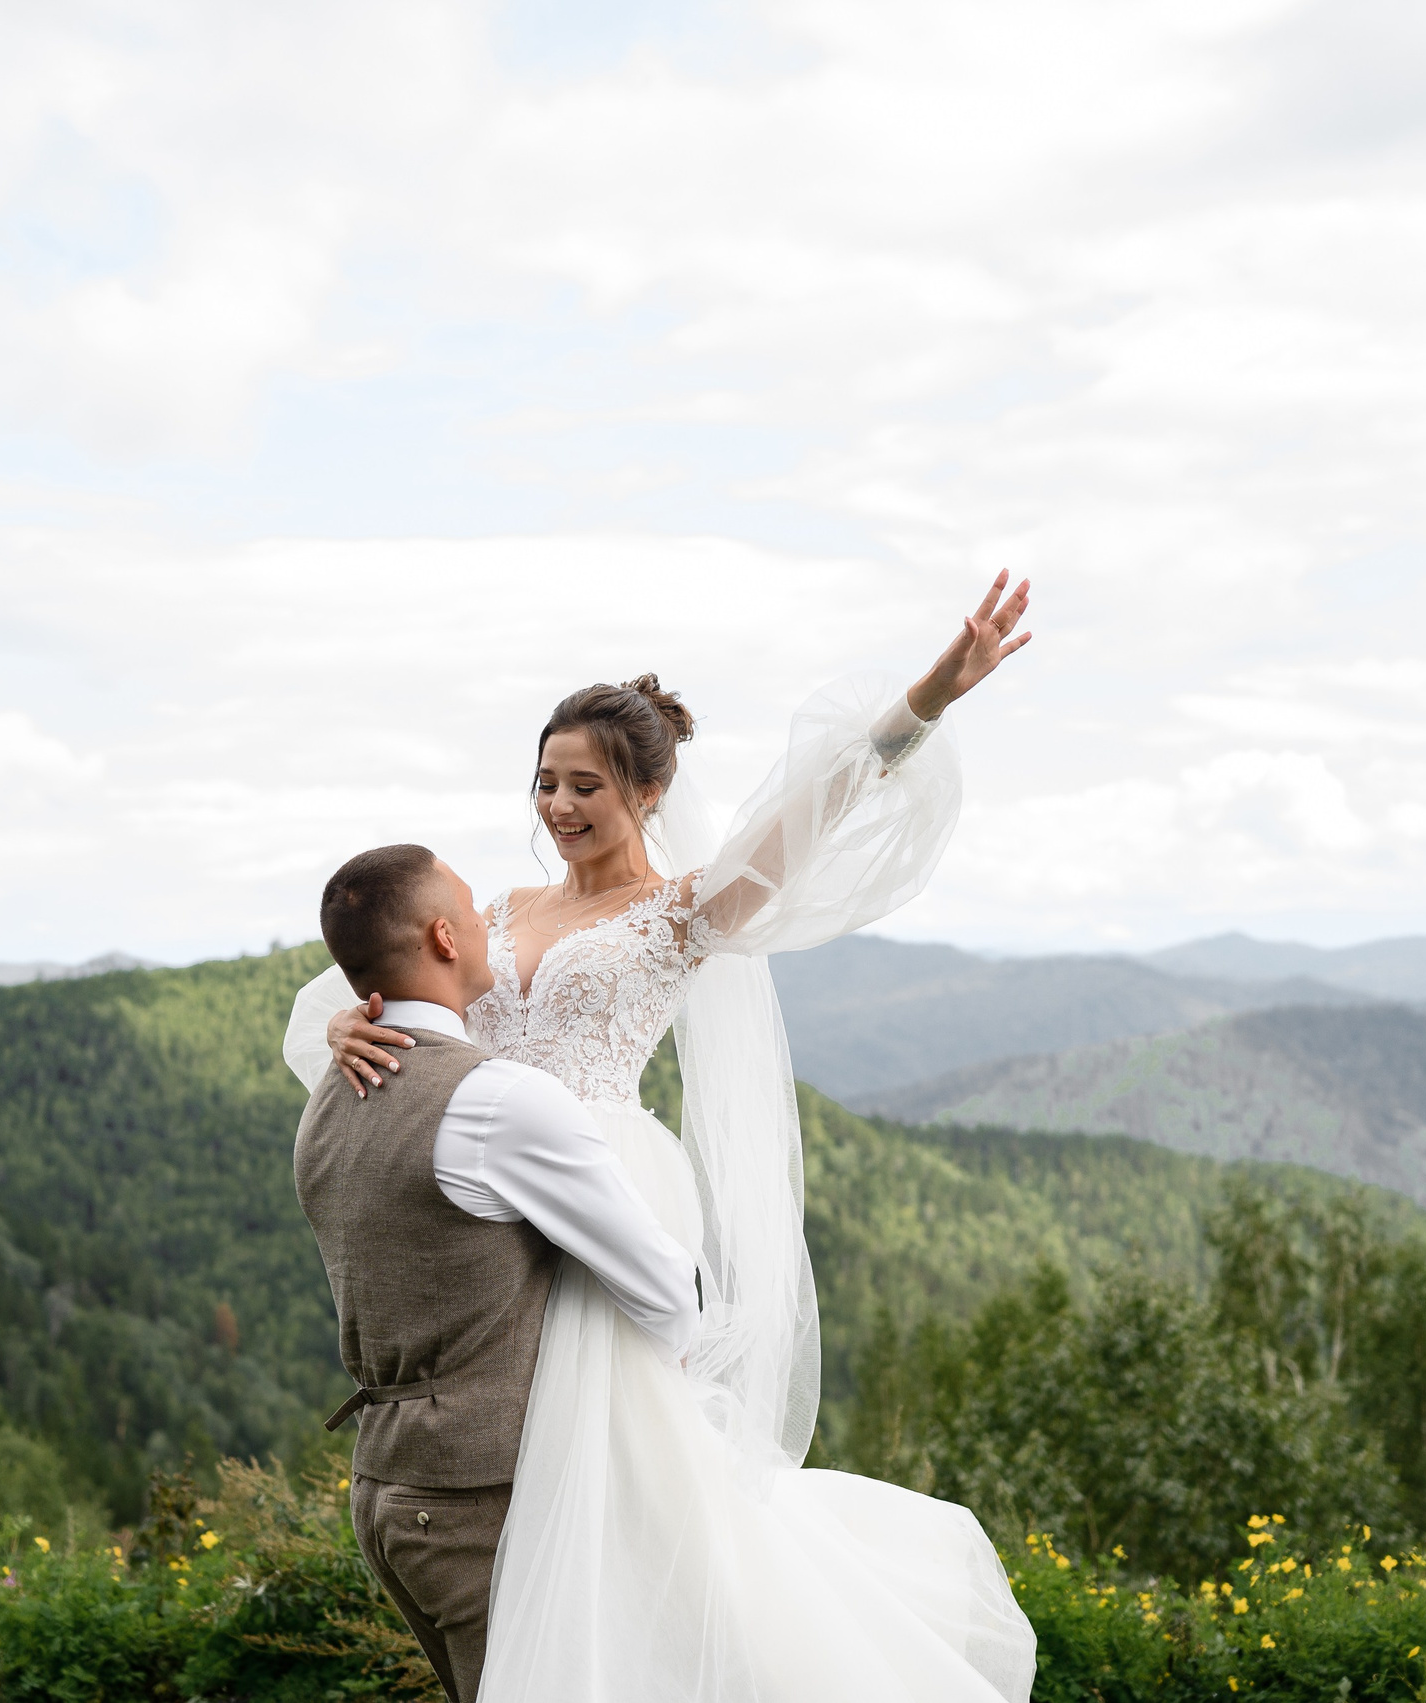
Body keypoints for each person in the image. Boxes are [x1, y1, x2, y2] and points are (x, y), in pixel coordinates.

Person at [285, 572, 1039, 1701]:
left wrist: (923, 702)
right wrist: (351, 1020)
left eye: (585, 784)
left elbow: (806, 816)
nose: (558, 805)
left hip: (602, 1183)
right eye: (545, 781)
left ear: (646, 790)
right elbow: (382, 983)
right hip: (485, 1177)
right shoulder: (495, 912)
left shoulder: (685, 911)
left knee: (619, 1476)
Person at [293, 842, 703, 1703]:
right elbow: (664, 1287)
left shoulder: (330, 1097)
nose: (492, 923)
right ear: (444, 937)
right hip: (479, 1500)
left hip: (386, 1489)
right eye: (474, 909)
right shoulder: (498, 1100)